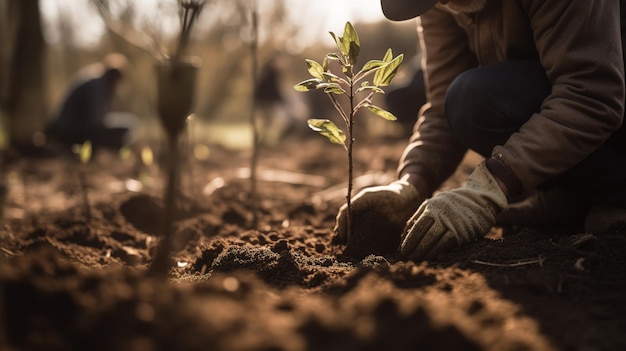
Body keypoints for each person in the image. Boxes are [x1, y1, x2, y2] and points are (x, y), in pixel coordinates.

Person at [336, 0, 626, 261]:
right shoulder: (440, 5)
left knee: (475, 96)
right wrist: (411, 186)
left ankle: (614, 189)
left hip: (611, 102)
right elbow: (441, 109)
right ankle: (572, 197)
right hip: (574, 105)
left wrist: (492, 185)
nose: (444, 5)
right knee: (470, 102)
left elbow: (590, 95)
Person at [46, 53, 134, 153]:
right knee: (127, 126)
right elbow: (96, 120)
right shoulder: (98, 86)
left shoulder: (96, 80)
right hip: (68, 131)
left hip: (66, 128)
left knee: (126, 124)